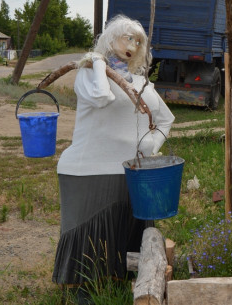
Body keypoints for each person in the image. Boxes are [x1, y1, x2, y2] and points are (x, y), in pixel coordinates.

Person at [52, 14, 175, 299]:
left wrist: (151, 146)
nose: (132, 44)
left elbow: (166, 119)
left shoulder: (142, 82)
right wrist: (97, 63)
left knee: (128, 228)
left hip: (131, 171)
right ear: (110, 39)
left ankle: (123, 282)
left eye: (137, 41)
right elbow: (101, 97)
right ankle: (81, 289)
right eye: (126, 37)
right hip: (87, 168)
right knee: (87, 232)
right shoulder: (87, 74)